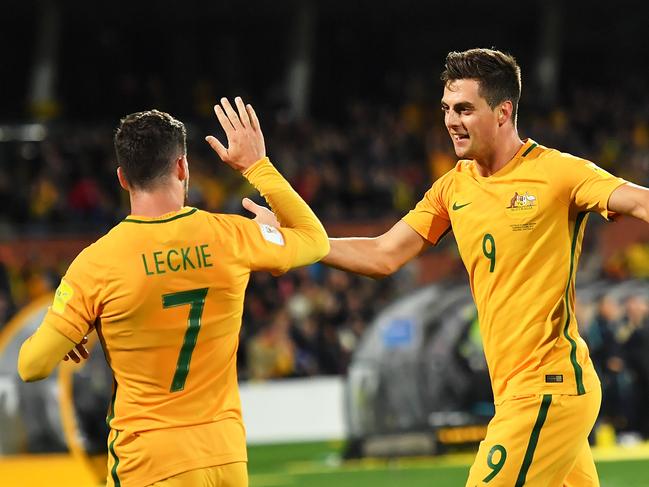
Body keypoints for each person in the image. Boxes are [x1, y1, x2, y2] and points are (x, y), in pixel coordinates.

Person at [251, 48, 649, 485]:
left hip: (547, 390)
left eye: (464, 109)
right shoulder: (452, 187)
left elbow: (638, 199)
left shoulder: (559, 172)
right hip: (520, 391)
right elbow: (384, 254)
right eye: (446, 109)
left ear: (503, 112)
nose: (451, 121)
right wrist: (297, 240)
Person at [17, 97, 329, 487]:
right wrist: (258, 167)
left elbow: (31, 367)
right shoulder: (231, 235)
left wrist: (68, 330)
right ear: (182, 166)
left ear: (122, 178)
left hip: (151, 464)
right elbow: (316, 241)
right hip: (225, 458)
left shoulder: (98, 263)